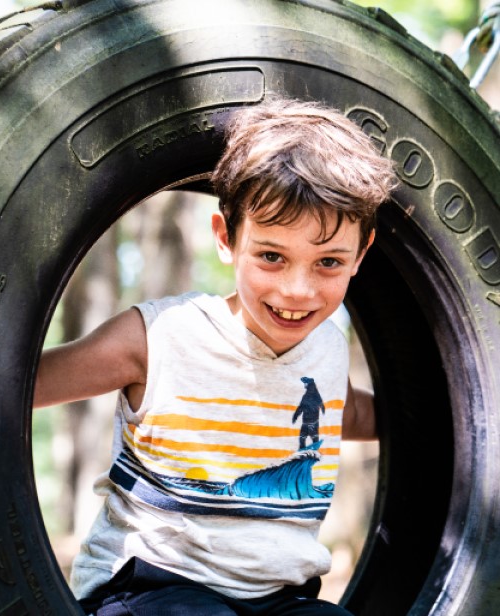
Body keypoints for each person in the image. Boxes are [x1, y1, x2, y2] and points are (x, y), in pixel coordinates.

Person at [34, 97, 397, 615]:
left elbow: (350, 412)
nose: (298, 289)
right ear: (226, 239)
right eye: (272, 256)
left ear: (360, 255)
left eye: (328, 262)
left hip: (279, 599)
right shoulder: (158, 335)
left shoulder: (328, 349)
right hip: (151, 586)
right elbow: (19, 382)